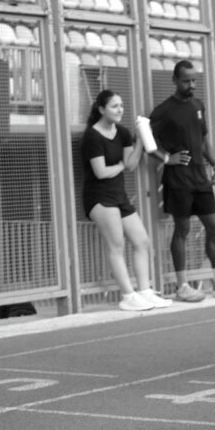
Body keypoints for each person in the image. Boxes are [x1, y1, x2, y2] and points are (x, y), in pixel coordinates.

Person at [148, 60, 215, 302]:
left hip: (200, 177)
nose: (191, 85)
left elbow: (203, 141)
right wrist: (166, 158)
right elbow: (144, 138)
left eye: (194, 80)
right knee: (182, 229)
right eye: (186, 81)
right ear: (175, 80)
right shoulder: (164, 111)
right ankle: (182, 287)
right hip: (178, 179)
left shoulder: (197, 105)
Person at [82, 90, 172, 311]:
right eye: (114, 106)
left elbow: (131, 164)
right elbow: (101, 172)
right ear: (101, 109)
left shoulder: (122, 132)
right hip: (99, 197)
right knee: (117, 245)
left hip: (119, 196)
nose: (120, 110)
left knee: (142, 241)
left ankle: (145, 292)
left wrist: (140, 140)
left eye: (121, 106)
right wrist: (120, 166)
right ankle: (128, 296)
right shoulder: (92, 136)